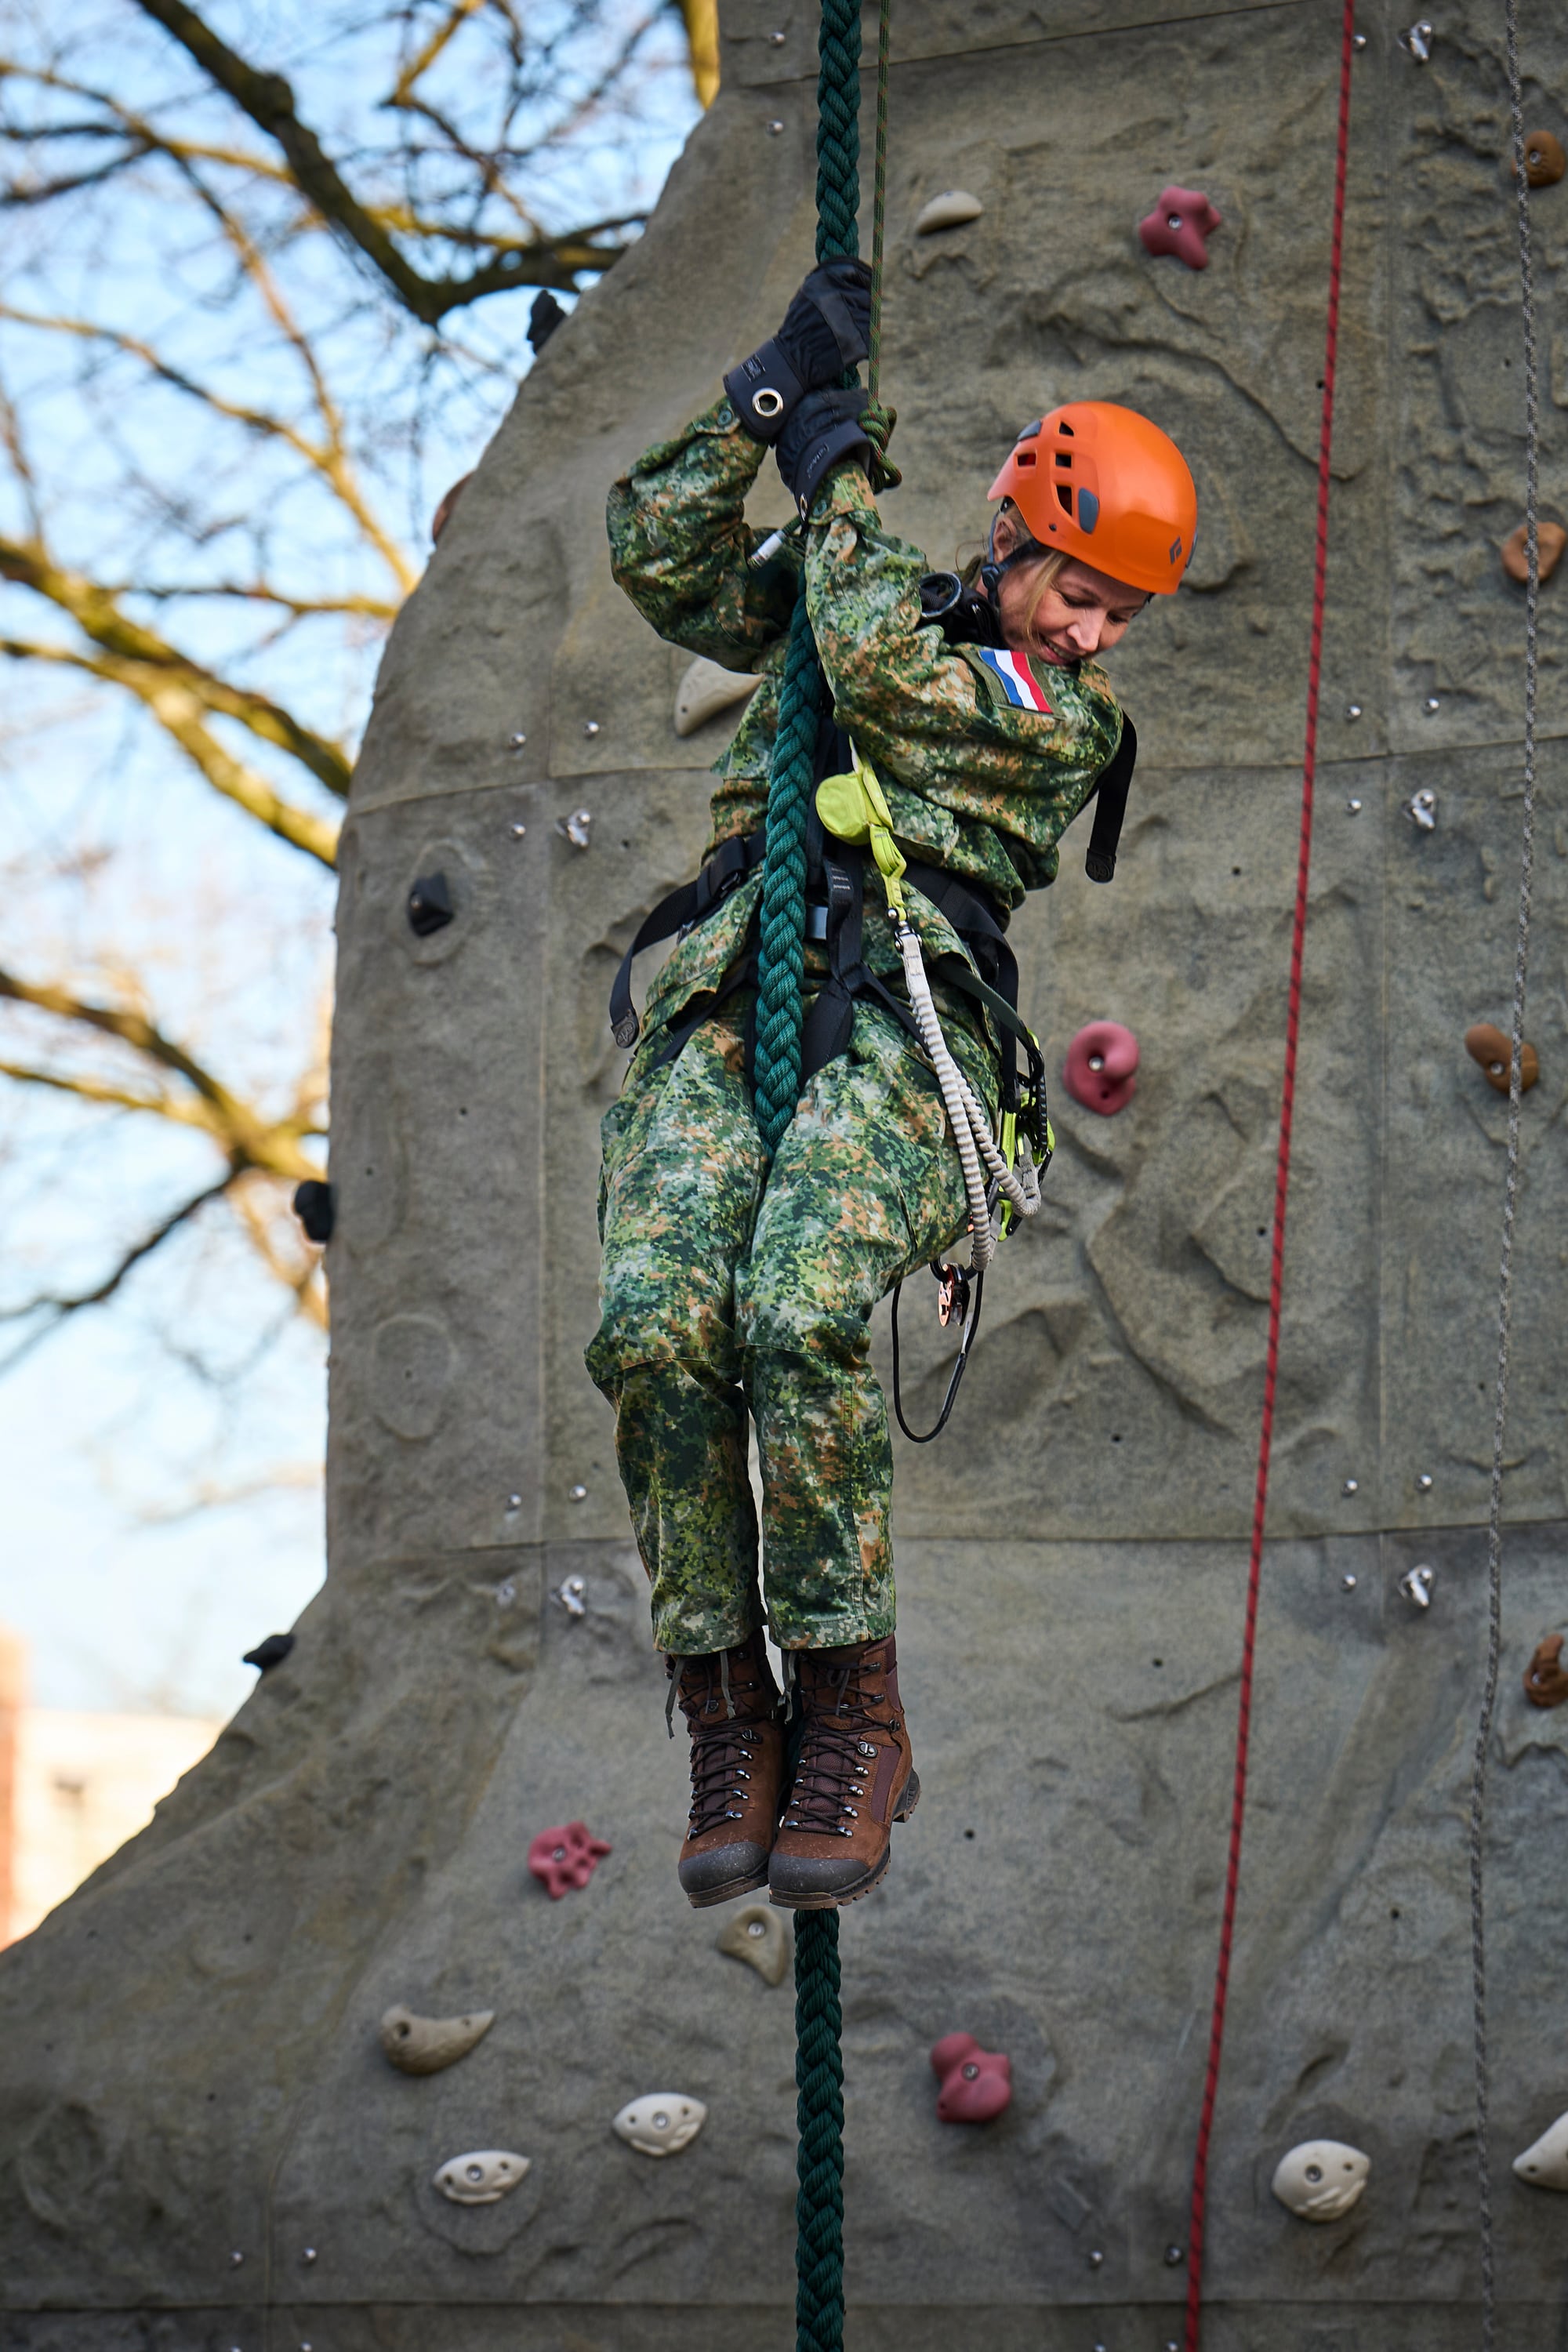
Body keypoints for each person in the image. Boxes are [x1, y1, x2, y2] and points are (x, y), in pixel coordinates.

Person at [590, 261, 1196, 1915]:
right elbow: (660, 556)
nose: (1093, 632)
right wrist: (763, 401)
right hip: (737, 996)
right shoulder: (859, 596)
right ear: (1015, 537)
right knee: (654, 1330)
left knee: (795, 1303)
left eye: (1121, 616)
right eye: (1083, 591)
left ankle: (853, 1709)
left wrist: (841, 471)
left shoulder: (1057, 716)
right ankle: (729, 1708)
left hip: (911, 1030)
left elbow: (872, 667)